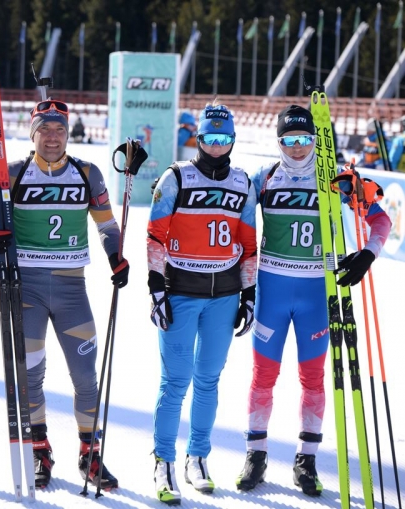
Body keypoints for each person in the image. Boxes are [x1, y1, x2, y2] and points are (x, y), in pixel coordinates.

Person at [0, 98, 129, 491]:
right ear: (33, 134)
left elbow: (107, 225)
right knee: (30, 375)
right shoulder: (13, 173)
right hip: (26, 289)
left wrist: (116, 258)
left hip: (72, 289)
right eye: (45, 129)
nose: (53, 137)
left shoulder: (87, 173)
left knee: (85, 375)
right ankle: (40, 450)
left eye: (60, 129)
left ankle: (90, 454)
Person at [236, 105, 391, 496]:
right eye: (289, 140)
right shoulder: (264, 177)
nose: (298, 147)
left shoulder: (336, 178)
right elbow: (232, 217)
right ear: (278, 141)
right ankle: (256, 454)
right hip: (271, 292)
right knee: (263, 376)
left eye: (305, 139)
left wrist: (367, 255)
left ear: (315, 140)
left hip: (316, 296)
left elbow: (381, 219)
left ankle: (306, 460)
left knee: (314, 379)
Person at [146, 103, 258, 505]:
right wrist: (156, 288)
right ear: (198, 138)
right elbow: (155, 235)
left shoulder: (243, 182)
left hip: (224, 296)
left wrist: (249, 294)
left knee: (208, 380)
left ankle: (198, 457)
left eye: (224, 138)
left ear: (233, 140)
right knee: (175, 381)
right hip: (181, 292)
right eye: (209, 138)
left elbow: (248, 245)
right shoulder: (176, 177)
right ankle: (163, 461)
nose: (216, 146)